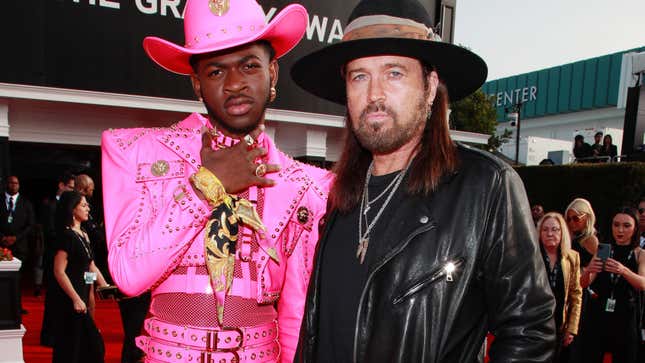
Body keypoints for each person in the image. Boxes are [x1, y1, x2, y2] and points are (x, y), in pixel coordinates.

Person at [291, 0, 556, 361]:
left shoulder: (485, 187)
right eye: (359, 76)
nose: (375, 95)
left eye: (394, 73)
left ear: (430, 87)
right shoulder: (341, 200)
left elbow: (530, 330)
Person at [101, 1, 331, 362]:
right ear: (196, 83)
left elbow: (296, 319)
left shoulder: (309, 187)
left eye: (250, 66)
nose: (235, 83)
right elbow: (128, 275)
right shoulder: (135, 152)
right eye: (215, 72)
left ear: (272, 72)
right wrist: (206, 185)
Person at [49, 190, 108, 363]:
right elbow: (59, 271)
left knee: (89, 346)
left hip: (82, 297)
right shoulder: (66, 236)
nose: (88, 208)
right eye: (83, 205)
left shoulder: (84, 235)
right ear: (72, 210)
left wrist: (100, 287)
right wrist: (75, 298)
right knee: (74, 347)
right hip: (69, 300)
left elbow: (89, 266)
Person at [580, 207, 645, 363]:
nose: (620, 230)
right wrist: (588, 270)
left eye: (626, 225)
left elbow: (642, 284)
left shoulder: (640, 254)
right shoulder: (603, 249)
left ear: (635, 227)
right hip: (599, 314)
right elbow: (583, 284)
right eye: (616, 225)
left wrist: (623, 271)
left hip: (626, 316)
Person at [537, 212, 582, 362]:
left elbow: (576, 295)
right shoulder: (531, 257)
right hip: (534, 325)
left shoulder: (572, 257)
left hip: (559, 326)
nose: (550, 233)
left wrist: (572, 328)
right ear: (539, 232)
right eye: (545, 229)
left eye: (555, 229)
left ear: (562, 232)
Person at [564, 197, 600, 363]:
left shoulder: (590, 239)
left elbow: (594, 271)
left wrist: (583, 274)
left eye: (576, 218)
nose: (571, 222)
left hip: (581, 294)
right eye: (568, 218)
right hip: (568, 290)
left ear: (587, 217)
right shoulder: (569, 238)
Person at [0, 175, 35, 267]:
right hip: (1, 245)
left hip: (19, 247)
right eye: (11, 183)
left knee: (16, 277)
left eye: (16, 183)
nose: (14, 185)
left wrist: (16, 237)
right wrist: (2, 237)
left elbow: (30, 225)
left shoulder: (26, 203)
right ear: (6, 184)